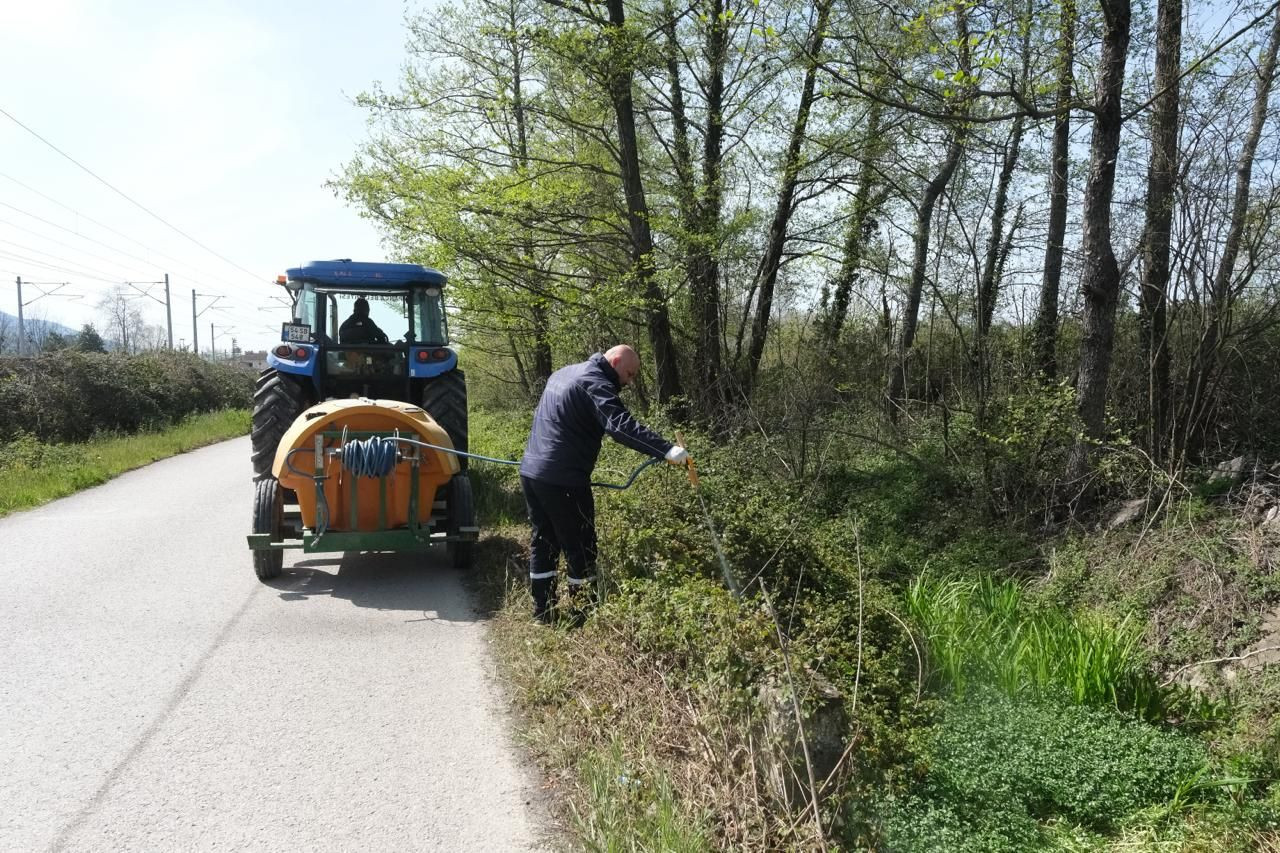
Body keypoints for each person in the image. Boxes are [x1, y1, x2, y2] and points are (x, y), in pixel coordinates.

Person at [519, 345, 689, 625]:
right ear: (616, 360)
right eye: (629, 374)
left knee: (544, 541)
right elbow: (620, 426)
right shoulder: (594, 382)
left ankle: (543, 613)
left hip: (532, 473)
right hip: (563, 479)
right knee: (581, 546)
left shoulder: (563, 373)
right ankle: (583, 616)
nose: (629, 382)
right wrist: (666, 450)